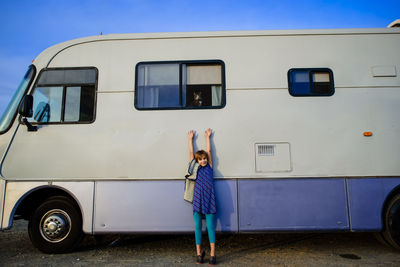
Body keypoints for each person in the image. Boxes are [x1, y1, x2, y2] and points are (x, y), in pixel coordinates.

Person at [187, 128, 217, 265]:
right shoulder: (195, 168)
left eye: (204, 159)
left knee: (211, 227)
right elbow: (191, 154)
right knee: (198, 226)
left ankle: (212, 255)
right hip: (198, 199)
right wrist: (190, 140)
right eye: (201, 159)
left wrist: (207, 138)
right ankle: (199, 254)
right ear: (197, 161)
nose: (203, 161)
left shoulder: (210, 167)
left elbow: (209, 152)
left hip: (209, 199)